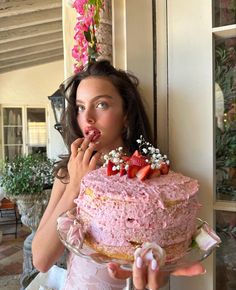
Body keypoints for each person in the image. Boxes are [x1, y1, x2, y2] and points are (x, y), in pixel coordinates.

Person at [32, 60, 205, 290]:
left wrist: (158, 274)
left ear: (125, 115)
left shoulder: (149, 175)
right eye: (81, 107)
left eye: (101, 104)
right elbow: (41, 260)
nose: (88, 117)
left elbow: (160, 261)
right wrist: (75, 185)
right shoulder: (69, 171)